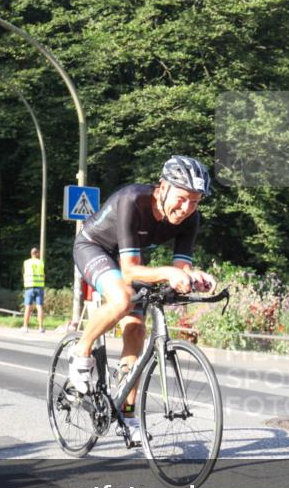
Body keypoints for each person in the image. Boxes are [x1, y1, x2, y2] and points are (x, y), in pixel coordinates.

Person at [70, 155, 218, 444]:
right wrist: (166, 273)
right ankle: (80, 353)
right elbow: (128, 272)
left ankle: (126, 412)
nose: (187, 208)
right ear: (162, 188)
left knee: (136, 331)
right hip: (94, 248)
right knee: (123, 298)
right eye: (182, 198)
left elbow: (179, 269)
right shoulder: (133, 200)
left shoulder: (191, 218)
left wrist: (194, 276)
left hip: (129, 257)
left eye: (196, 201)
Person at [21, 247, 45, 333]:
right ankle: (41, 327)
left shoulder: (26, 262)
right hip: (39, 287)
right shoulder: (41, 262)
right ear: (37, 253)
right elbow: (43, 274)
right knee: (39, 307)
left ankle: (25, 327)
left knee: (28, 307)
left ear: (31, 254)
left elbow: (23, 273)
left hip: (29, 287)